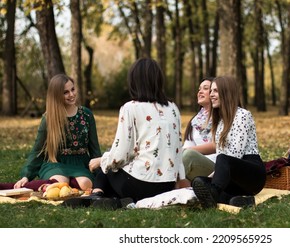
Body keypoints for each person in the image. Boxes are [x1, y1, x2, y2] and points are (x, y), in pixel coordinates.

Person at [63, 58, 187, 209]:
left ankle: (97, 195)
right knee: (110, 164)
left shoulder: (130, 108)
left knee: (107, 167)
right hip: (167, 184)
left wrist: (101, 160)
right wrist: (181, 178)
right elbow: (178, 149)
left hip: (140, 183)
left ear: (134, 81)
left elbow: (119, 156)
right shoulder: (173, 108)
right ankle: (116, 200)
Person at [0, 74, 102, 192]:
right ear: (57, 95)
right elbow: (37, 151)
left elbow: (95, 148)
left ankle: (67, 183)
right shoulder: (49, 118)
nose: (72, 94)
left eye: (72, 89)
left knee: (86, 184)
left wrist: (101, 171)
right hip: (56, 162)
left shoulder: (87, 115)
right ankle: (56, 184)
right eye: (65, 92)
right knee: (59, 183)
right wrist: (26, 175)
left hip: (80, 163)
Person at [191, 76, 267, 208]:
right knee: (200, 181)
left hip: (252, 175)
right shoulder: (220, 123)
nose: (211, 94)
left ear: (226, 92)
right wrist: (210, 179)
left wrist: (216, 180)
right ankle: (238, 200)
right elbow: (224, 160)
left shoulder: (243, 115)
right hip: (232, 177)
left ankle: (213, 194)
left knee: (221, 162)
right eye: (211, 91)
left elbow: (234, 155)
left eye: (215, 91)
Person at [182, 77, 217, 181]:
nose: (200, 92)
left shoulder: (223, 117)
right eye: (199, 89)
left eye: (205, 88)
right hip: (194, 167)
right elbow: (188, 146)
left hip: (216, 168)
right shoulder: (195, 121)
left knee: (189, 155)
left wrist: (186, 151)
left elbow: (218, 145)